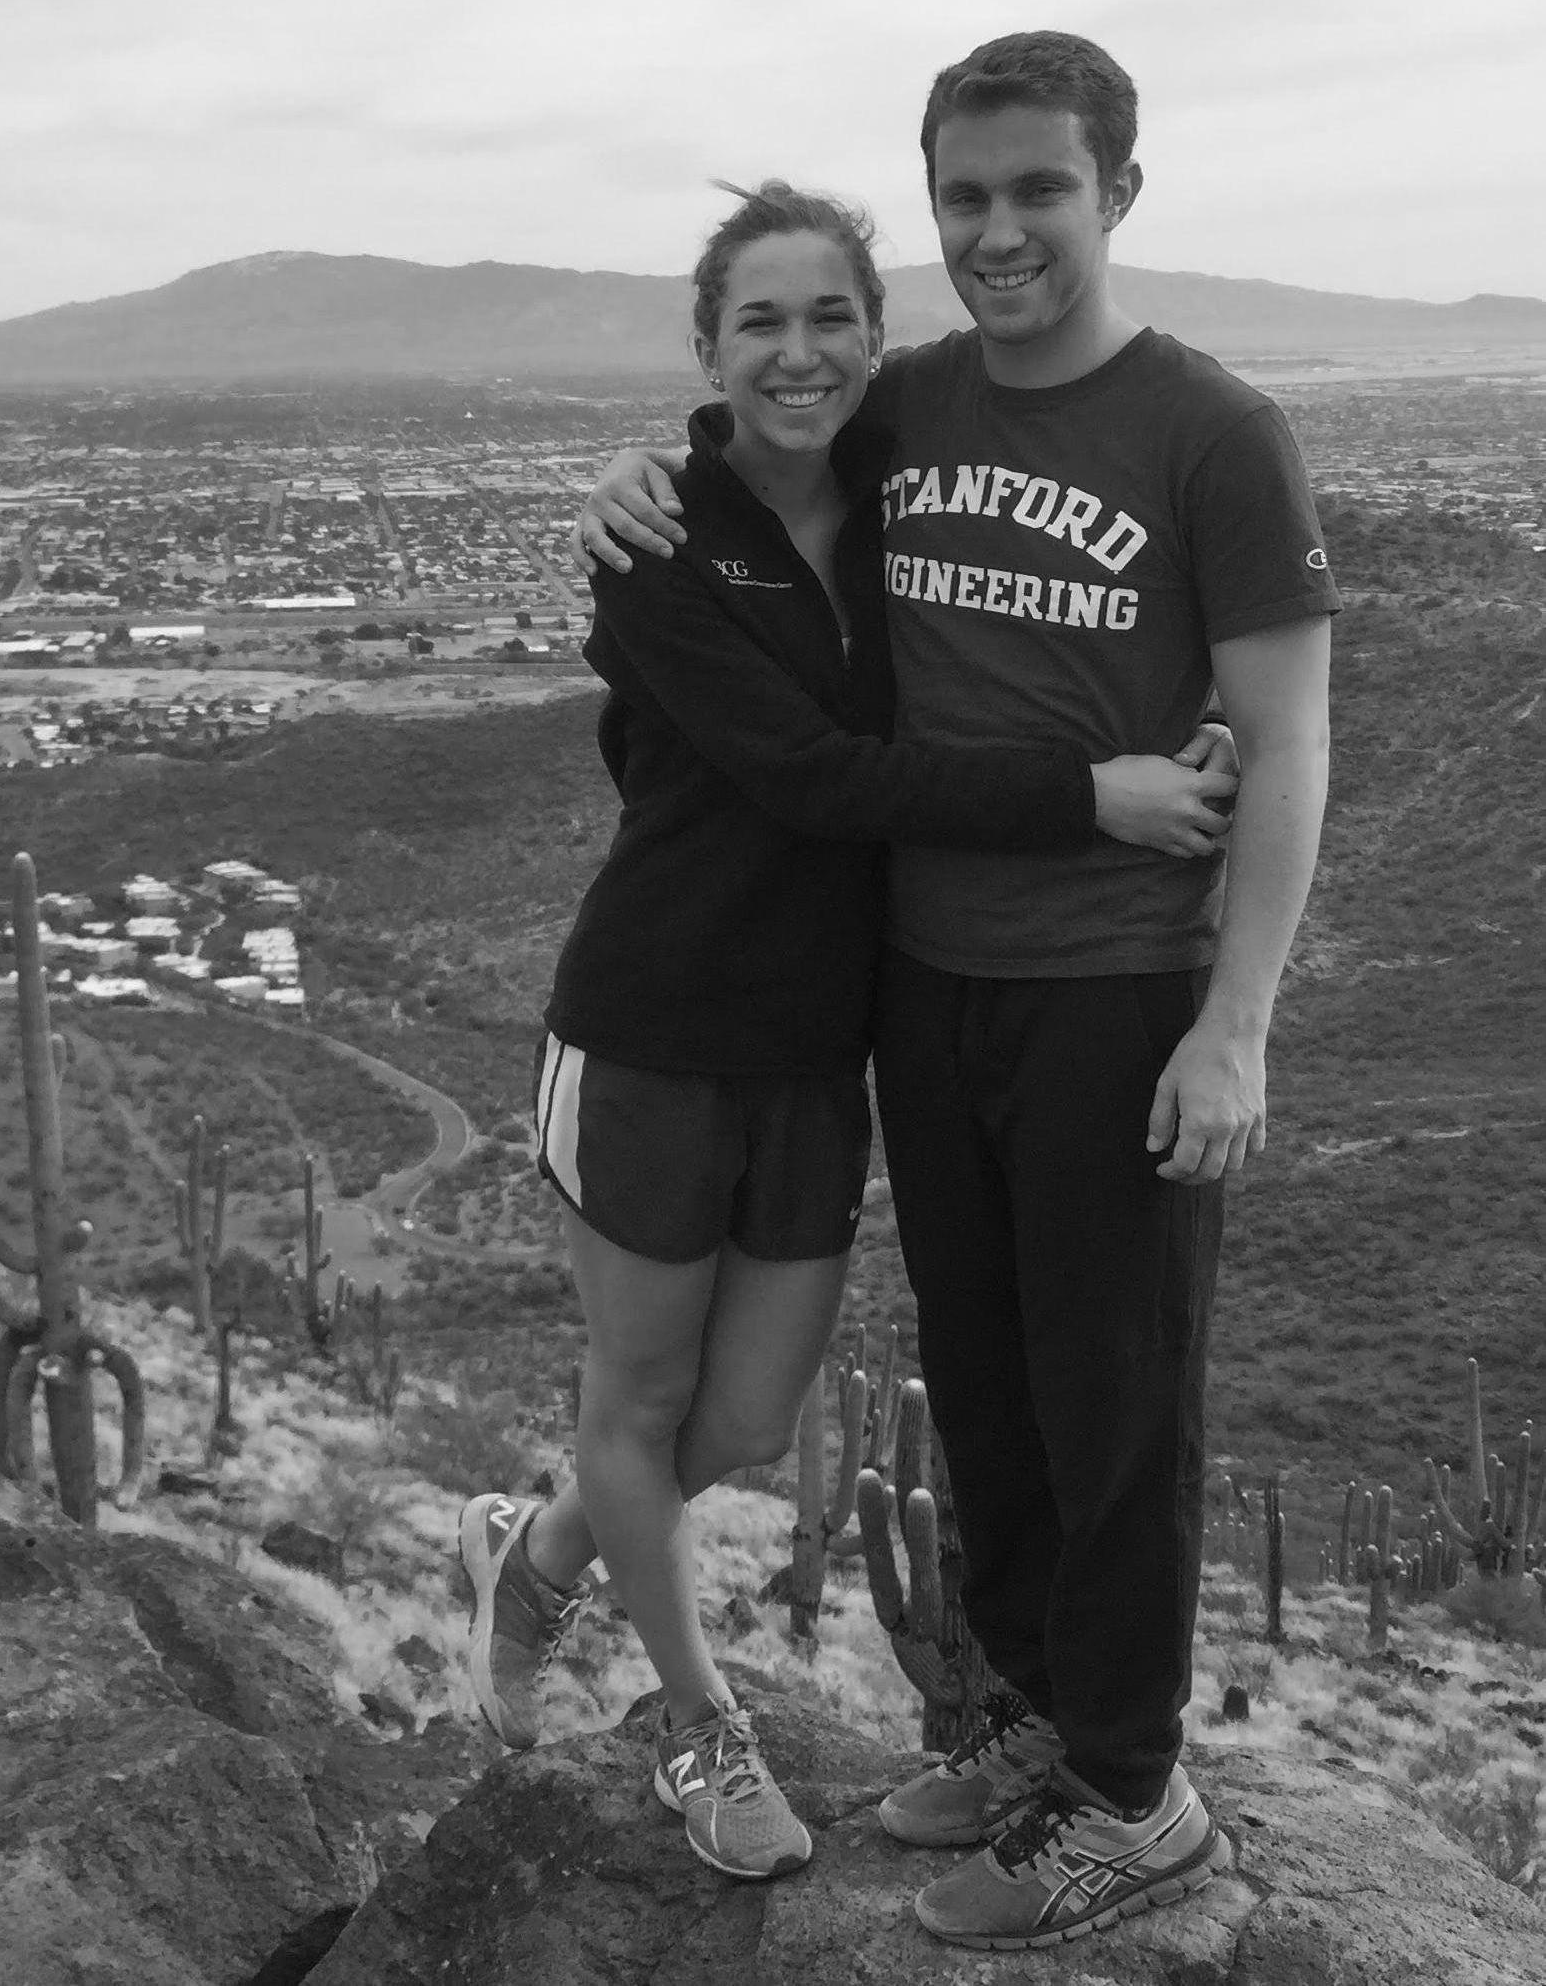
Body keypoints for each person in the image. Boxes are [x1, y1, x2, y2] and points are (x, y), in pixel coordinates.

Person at [572, 32, 1337, 1948]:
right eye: (968, 199)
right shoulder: (909, 399)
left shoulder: (1211, 434)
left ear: (1120, 195)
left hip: (1116, 989)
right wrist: (622, 491)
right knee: (991, 1395)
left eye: (1039, 192)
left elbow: (1291, 745)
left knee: (1117, 1400)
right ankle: (1036, 1729)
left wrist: (1237, 1022)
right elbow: (758, 437)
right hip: (924, 981)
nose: (1000, 233)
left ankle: (1137, 1798)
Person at [460, 175, 1236, 1888]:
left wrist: (1189, 722)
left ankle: (540, 1551)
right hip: (655, 1031)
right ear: (709, 346)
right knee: (643, 1395)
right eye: (760, 321)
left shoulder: (904, 495)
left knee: (734, 1425)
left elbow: (1038, 603)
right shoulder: (660, 551)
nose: (798, 351)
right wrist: (1092, 796)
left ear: (878, 343)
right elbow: (818, 780)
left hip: (827, 1045)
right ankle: (704, 1727)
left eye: (830, 318)